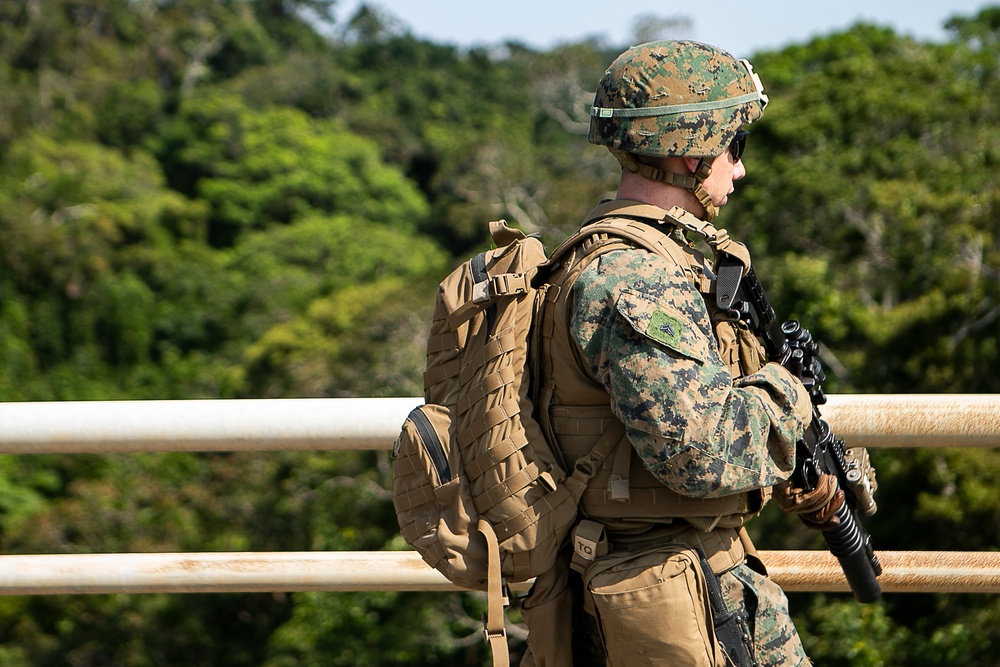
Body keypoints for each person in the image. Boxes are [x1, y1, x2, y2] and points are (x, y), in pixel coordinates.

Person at [519, 40, 840, 666]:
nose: (739, 169)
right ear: (689, 152)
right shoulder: (635, 280)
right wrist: (789, 390)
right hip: (673, 604)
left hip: (677, 585)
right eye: (733, 147)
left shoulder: (633, 257)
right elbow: (703, 454)